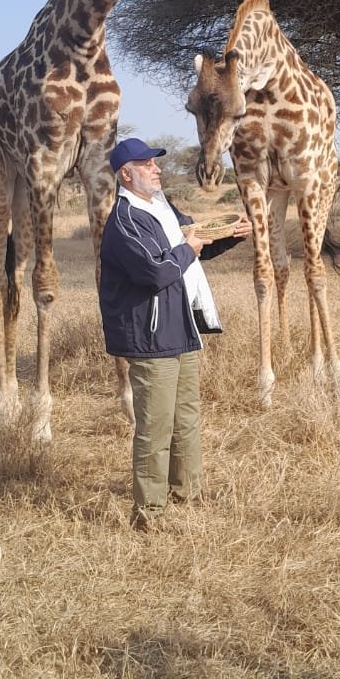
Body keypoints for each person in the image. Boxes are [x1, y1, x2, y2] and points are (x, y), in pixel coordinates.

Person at [99, 137, 252, 531]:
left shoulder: (163, 210)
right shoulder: (125, 222)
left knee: (186, 418)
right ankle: (149, 513)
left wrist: (231, 236)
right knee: (155, 427)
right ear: (126, 174)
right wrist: (190, 246)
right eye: (147, 164)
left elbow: (191, 251)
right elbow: (156, 272)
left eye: (156, 163)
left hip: (180, 327)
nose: (157, 169)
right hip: (150, 338)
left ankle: (187, 494)